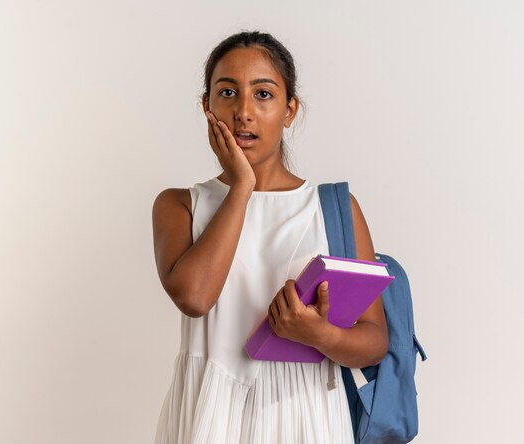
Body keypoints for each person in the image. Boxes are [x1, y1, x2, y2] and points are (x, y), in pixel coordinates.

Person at [152, 30, 388, 444]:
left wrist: (322, 336)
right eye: (227, 92)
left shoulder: (333, 207)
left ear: (289, 109)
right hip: (211, 414)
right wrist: (242, 187)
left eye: (263, 94)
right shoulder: (180, 205)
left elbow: (374, 341)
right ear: (206, 106)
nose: (244, 111)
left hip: (304, 414)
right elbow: (194, 298)